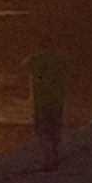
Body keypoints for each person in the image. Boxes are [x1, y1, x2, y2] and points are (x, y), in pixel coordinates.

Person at [27, 34, 66, 170]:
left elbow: (25, 64)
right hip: (57, 99)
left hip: (41, 100)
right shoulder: (60, 58)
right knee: (55, 128)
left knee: (43, 130)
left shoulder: (35, 59)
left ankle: (49, 159)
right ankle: (55, 154)